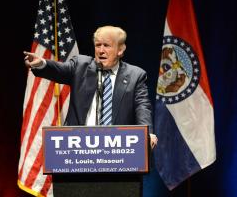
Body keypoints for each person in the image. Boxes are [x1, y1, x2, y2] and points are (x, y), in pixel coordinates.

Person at [24, 25, 157, 148]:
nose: (101, 50)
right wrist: (41, 63)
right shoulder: (80, 66)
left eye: (107, 45)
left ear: (120, 50)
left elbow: (142, 107)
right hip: (80, 150)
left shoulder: (135, 75)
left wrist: (147, 133)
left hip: (118, 150)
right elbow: (59, 69)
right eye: (98, 45)